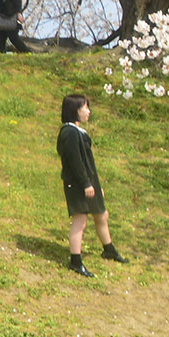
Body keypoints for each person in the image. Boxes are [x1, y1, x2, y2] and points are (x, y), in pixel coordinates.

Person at [57, 94, 126, 276]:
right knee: (80, 220)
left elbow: (88, 163)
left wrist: (95, 184)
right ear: (75, 111)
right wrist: (86, 183)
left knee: (101, 214)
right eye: (84, 108)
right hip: (78, 184)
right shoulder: (69, 132)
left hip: (88, 183)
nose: (88, 112)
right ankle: (75, 261)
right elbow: (76, 162)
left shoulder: (78, 132)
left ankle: (109, 249)